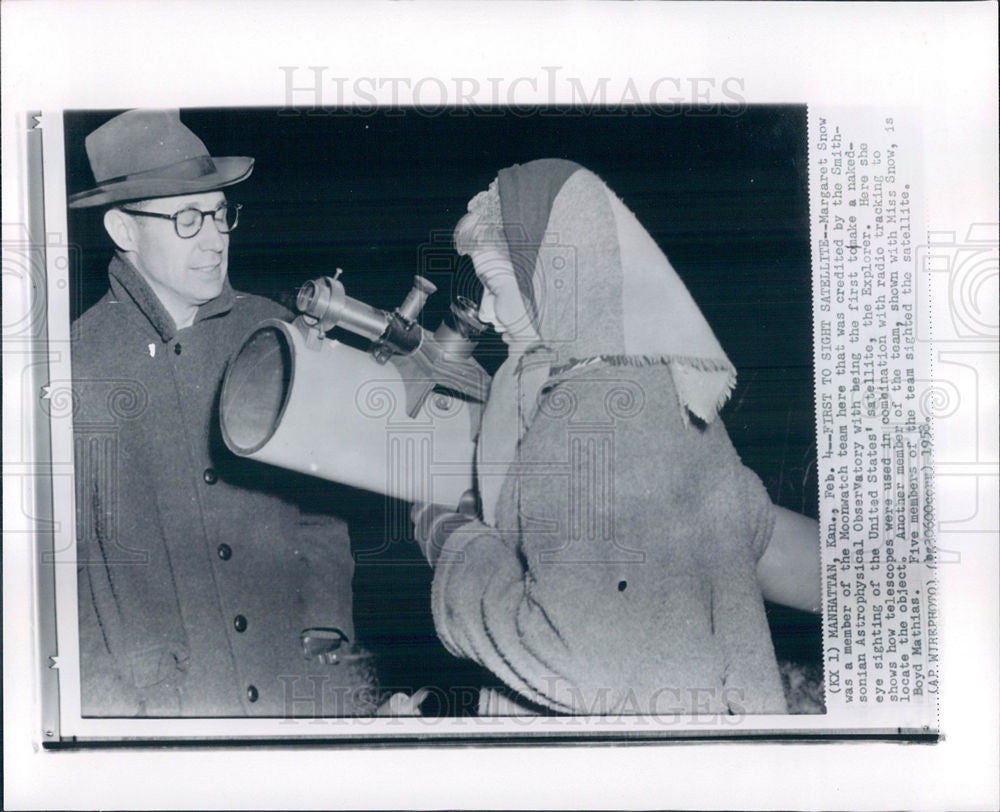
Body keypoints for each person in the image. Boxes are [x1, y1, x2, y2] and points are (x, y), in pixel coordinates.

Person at [412, 159, 821, 716]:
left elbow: (577, 662)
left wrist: (454, 545)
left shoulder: (582, 417)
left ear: (554, 279)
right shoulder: (661, 387)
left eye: (493, 285)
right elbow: (759, 539)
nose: (484, 311)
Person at [69, 109, 375, 716]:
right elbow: (66, 581)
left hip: (296, 689)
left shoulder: (275, 334)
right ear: (123, 231)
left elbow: (321, 508)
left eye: (219, 213)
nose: (214, 238)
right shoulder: (74, 369)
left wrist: (325, 629)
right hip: (167, 712)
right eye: (187, 218)